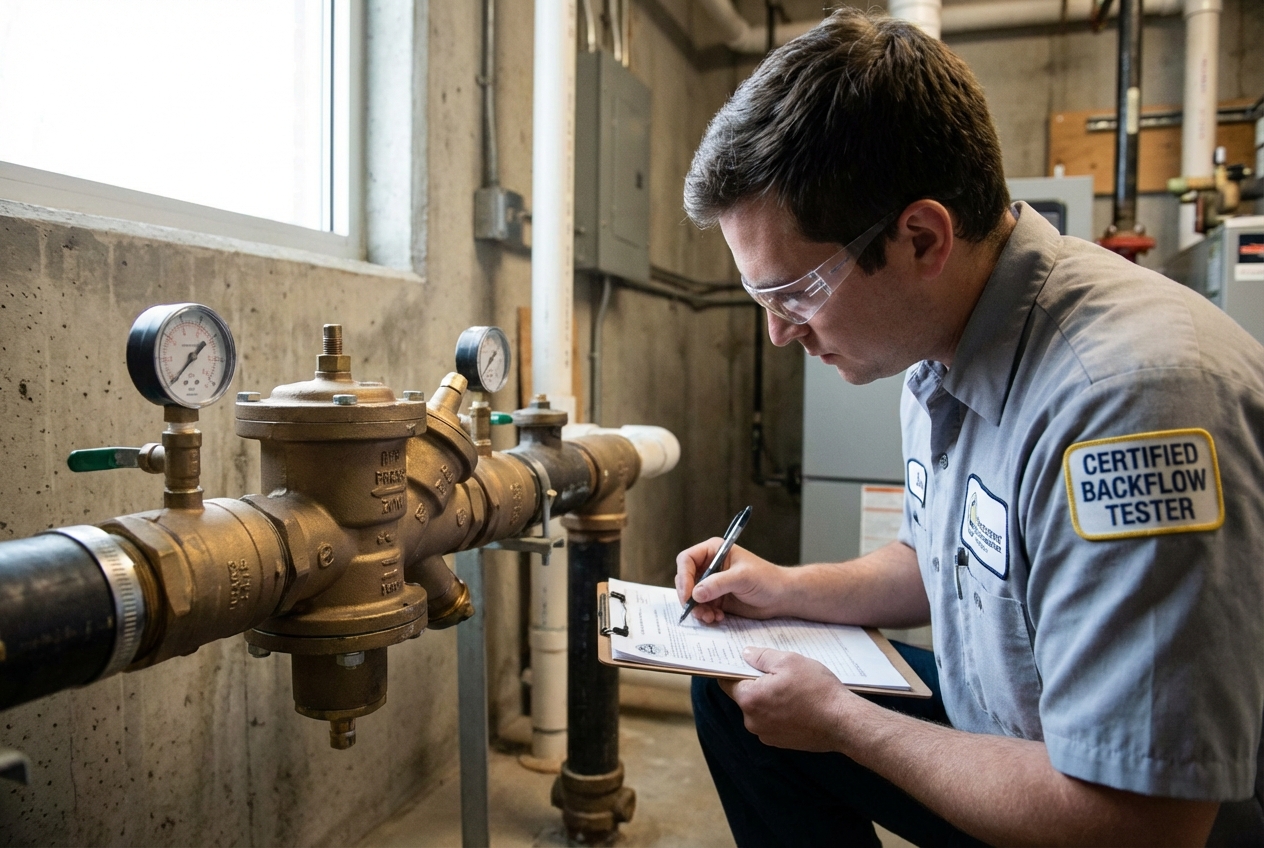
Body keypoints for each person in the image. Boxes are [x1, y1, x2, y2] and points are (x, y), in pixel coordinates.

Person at [676, 7, 1264, 847]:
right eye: (762, 300)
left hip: (1119, 809)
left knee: (804, 715)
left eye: (796, 292)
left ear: (920, 237)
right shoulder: (941, 347)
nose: (781, 333)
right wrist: (784, 590)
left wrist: (848, 724)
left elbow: (1144, 824)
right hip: (1011, 727)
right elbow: (945, 556)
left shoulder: (1130, 406)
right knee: (734, 693)